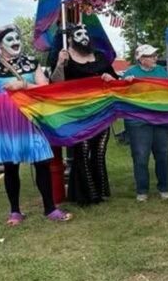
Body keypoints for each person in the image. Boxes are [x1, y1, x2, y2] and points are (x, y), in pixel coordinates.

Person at [0, 25, 72, 225]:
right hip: (4, 120)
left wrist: (23, 85)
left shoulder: (31, 63)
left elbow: (44, 88)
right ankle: (15, 212)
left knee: (42, 163)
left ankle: (50, 208)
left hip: (30, 117)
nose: (15, 41)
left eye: (17, 38)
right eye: (10, 39)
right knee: (11, 166)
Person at [50, 25, 119, 206]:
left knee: (99, 152)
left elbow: (115, 81)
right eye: (79, 34)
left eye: (86, 33)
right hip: (78, 114)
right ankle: (86, 194)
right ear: (71, 39)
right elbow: (55, 84)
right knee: (82, 151)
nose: (84, 37)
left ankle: (100, 191)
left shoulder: (100, 57)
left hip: (101, 112)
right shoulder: (65, 57)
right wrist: (59, 63)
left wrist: (110, 78)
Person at [122, 44, 168, 202]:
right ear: (141, 59)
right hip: (138, 122)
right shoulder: (130, 73)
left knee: (163, 155)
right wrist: (126, 84)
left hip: (161, 119)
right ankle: (142, 190)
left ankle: (164, 188)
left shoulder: (161, 71)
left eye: (154, 55)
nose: (155, 58)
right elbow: (120, 94)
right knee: (141, 156)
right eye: (151, 56)